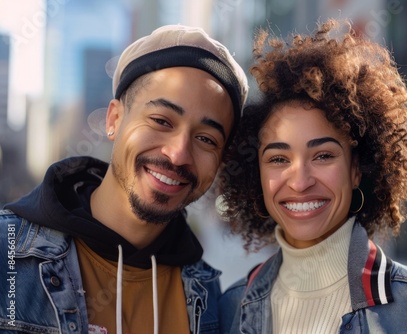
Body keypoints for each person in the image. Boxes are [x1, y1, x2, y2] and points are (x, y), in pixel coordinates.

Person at [217, 19, 407, 333]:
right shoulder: (231, 307)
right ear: (255, 174)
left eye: (323, 155)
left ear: (356, 169)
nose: (300, 182)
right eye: (278, 158)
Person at [0, 24, 248, 333]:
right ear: (114, 119)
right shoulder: (7, 256)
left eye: (206, 139)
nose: (178, 154)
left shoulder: (209, 298)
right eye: (161, 120)